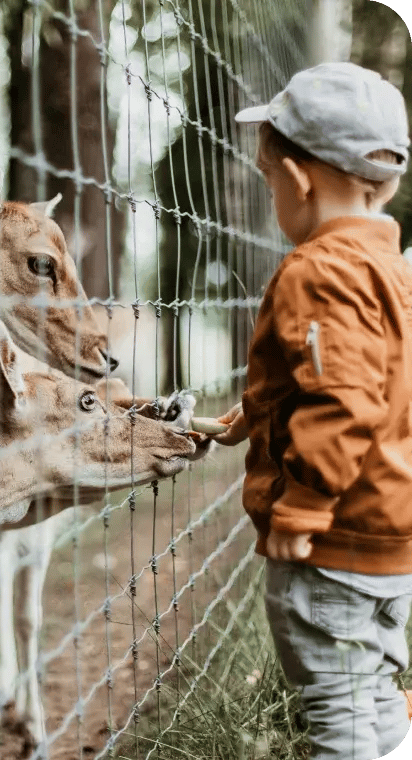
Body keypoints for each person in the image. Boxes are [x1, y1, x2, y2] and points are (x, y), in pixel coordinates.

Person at [212, 61, 412, 759]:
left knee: (340, 724)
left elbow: (344, 399)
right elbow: (369, 382)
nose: (275, 195)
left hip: (331, 546)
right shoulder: (394, 270)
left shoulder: (317, 271)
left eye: (269, 181)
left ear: (296, 181)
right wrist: (251, 419)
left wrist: (301, 507)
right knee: (372, 690)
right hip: (388, 539)